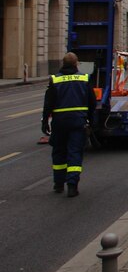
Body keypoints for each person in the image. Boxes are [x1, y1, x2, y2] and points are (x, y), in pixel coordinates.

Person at [42, 52, 97, 197]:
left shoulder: (55, 80)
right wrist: (92, 121)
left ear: (63, 63)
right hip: (78, 122)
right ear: (75, 64)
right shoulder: (84, 79)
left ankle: (58, 184)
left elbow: (48, 104)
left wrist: (44, 122)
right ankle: (72, 185)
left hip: (59, 122)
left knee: (59, 152)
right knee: (75, 152)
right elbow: (92, 103)